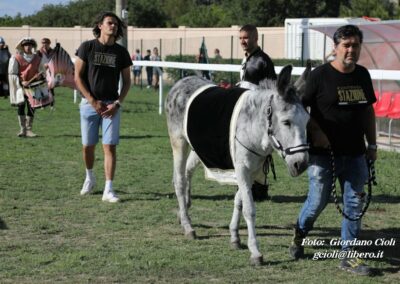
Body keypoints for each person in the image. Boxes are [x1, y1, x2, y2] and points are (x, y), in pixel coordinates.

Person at [289, 25, 377, 276]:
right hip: (322, 155)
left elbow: (367, 111)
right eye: (346, 45)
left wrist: (371, 145)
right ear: (335, 47)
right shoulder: (318, 76)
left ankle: (348, 256)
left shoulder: (362, 75)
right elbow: (298, 109)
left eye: (355, 45)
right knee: (317, 201)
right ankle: (299, 234)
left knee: (353, 204)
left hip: (355, 154)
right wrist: (315, 129)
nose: (351, 50)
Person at [74, 11, 132, 203]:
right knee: (88, 147)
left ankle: (109, 189)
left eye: (116, 24)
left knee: (110, 146)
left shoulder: (121, 52)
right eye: (109, 23)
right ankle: (90, 177)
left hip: (111, 107)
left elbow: (127, 82)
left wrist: (117, 103)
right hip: (89, 105)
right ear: (100, 25)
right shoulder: (87, 47)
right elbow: (78, 77)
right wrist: (92, 100)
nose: (113, 26)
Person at [239, 24, 277, 201]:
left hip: (259, 114)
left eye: (246, 38)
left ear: (255, 38)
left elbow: (272, 88)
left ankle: (259, 187)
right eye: (240, 38)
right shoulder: (247, 59)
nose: (243, 41)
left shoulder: (263, 60)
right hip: (246, 112)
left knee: (261, 150)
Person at [8, 37, 47, 137]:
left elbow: (42, 71)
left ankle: (29, 129)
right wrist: (21, 82)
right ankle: (22, 129)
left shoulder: (38, 58)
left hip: (33, 86)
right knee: (21, 106)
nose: (28, 47)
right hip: (20, 87)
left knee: (31, 107)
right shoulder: (16, 58)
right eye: (26, 45)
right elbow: (13, 74)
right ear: (22, 46)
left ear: (33, 46)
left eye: (30, 45)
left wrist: (40, 76)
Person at [37, 37, 56, 106]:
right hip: (42, 72)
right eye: (43, 43)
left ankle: (52, 103)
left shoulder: (53, 52)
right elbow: (36, 62)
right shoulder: (38, 52)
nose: (44, 44)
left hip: (51, 72)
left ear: (49, 44)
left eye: (46, 43)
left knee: (51, 87)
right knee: (41, 87)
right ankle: (41, 103)